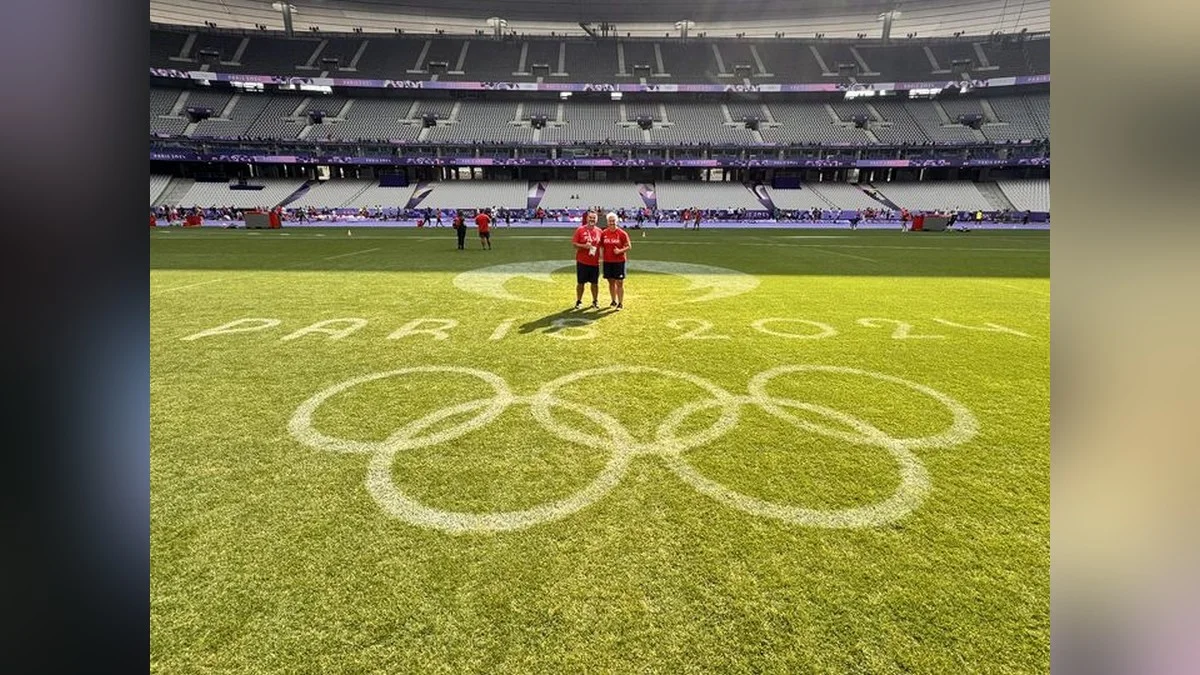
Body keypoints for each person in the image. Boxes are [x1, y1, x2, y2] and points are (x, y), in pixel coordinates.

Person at [571, 210, 603, 309]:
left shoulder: (599, 231)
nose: (592, 219)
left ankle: (595, 301)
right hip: (582, 261)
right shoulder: (580, 230)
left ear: (596, 219)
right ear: (587, 218)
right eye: (590, 217)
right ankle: (579, 301)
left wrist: (601, 257)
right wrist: (584, 246)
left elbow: (601, 246)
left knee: (595, 283)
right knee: (581, 283)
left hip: (594, 262)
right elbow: (574, 244)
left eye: (594, 218)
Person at [600, 212, 631, 310]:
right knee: (611, 282)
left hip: (619, 261)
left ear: (616, 221)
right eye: (610, 221)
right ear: (607, 222)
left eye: (613, 221)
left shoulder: (622, 233)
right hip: (608, 261)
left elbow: (629, 247)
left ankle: (620, 303)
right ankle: (613, 300)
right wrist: (601, 256)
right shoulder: (604, 233)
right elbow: (601, 246)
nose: (612, 223)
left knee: (619, 282)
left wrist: (619, 251)